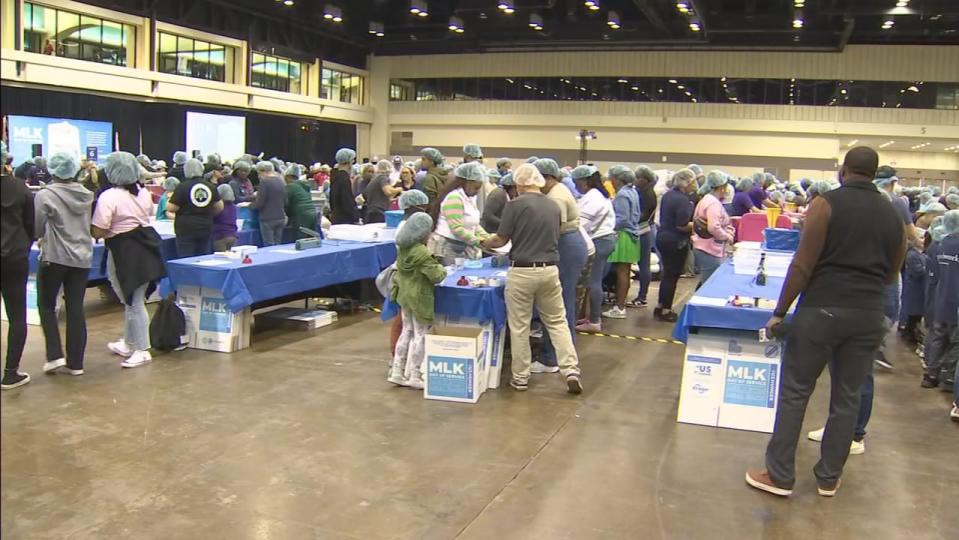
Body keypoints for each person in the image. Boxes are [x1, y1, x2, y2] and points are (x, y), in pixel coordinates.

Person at [746, 146, 906, 498]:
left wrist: (780, 311)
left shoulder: (826, 203)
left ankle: (780, 475)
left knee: (796, 392)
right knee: (847, 397)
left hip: (821, 310)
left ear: (844, 170)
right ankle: (829, 477)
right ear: (876, 173)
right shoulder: (893, 214)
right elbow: (893, 270)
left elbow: (803, 264)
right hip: (868, 314)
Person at [481, 164, 582, 395]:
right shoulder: (553, 205)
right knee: (557, 322)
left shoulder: (515, 205)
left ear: (520, 183)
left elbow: (500, 239)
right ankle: (570, 370)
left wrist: (481, 241)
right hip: (549, 270)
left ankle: (520, 378)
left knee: (519, 326)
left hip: (522, 271)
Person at [91, 152, 167, 369]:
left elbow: (99, 229)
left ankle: (142, 349)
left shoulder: (109, 197)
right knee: (129, 297)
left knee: (134, 300)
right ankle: (129, 342)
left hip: (125, 250)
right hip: (142, 245)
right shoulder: (143, 192)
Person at [33, 152, 94, 377]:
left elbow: (37, 228)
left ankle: (54, 354)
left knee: (47, 305)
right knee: (75, 307)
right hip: (83, 258)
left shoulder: (45, 195)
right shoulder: (87, 194)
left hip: (54, 257)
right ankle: (76, 363)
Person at [533, 158, 588, 373]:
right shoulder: (560, 190)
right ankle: (562, 353)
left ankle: (551, 357)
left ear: (548, 178)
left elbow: (552, 229)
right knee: (564, 304)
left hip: (566, 247)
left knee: (555, 305)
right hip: (570, 244)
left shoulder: (555, 197)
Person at [387, 212, 447, 389]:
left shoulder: (403, 249)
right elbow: (436, 276)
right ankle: (415, 374)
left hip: (405, 296)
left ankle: (397, 371)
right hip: (420, 297)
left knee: (406, 331)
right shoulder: (422, 253)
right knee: (420, 335)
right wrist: (442, 269)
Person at [1, 142, 35, 390]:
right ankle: (10, 372)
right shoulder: (20, 188)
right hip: (14, 258)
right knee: (16, 315)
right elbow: (30, 226)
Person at [572, 165, 616, 332]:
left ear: (584, 181)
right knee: (595, 281)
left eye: (576, 182)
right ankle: (591, 317)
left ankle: (595, 321)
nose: (576, 186)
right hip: (605, 239)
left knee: (593, 282)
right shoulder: (600, 195)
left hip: (599, 241)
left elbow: (580, 224)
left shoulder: (593, 197)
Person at [922, 210, 958, 390]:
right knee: (955, 343)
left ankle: (931, 374)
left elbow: (933, 275)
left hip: (940, 300)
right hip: (955, 303)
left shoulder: (940, 244)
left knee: (938, 339)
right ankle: (949, 378)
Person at [654, 168, 696, 323]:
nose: (695, 185)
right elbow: (682, 225)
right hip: (675, 241)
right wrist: (697, 224)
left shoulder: (668, 195)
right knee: (672, 276)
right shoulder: (683, 200)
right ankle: (666, 309)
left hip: (663, 237)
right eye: (693, 182)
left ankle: (660, 305)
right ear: (686, 183)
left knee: (666, 274)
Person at [429, 162, 490, 266]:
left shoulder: (469, 199)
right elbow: (457, 228)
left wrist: (487, 237)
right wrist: (479, 242)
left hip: (462, 245)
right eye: (476, 188)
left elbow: (474, 224)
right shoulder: (454, 198)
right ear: (466, 183)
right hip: (447, 247)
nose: (478, 191)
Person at [602, 165, 641, 320]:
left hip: (623, 235)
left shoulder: (622, 195)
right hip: (631, 234)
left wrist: (609, 227)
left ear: (617, 179)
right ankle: (620, 305)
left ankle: (619, 307)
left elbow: (622, 218)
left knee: (622, 272)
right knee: (624, 271)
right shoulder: (632, 191)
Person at [167, 158, 223, 257]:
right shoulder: (210, 186)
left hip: (186, 229)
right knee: (203, 258)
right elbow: (219, 207)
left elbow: (171, 208)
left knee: (186, 259)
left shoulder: (182, 187)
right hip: (205, 226)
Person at [691, 171, 735, 287]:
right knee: (709, 284)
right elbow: (714, 227)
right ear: (721, 187)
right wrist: (727, 236)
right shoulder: (713, 204)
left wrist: (727, 228)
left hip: (703, 246)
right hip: (709, 248)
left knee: (705, 281)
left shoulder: (706, 200)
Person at [630, 165, 659, 308]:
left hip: (644, 231)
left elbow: (643, 215)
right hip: (645, 229)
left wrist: (629, 218)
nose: (635, 180)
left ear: (644, 179)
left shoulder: (647, 194)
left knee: (644, 264)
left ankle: (642, 297)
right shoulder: (642, 192)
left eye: (637, 178)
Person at [250, 161, 287, 246]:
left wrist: (250, 206)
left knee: (269, 246)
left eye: (258, 173)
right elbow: (285, 201)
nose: (258, 176)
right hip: (281, 217)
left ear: (263, 171)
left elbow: (260, 203)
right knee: (277, 246)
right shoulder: (281, 181)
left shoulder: (265, 182)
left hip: (268, 219)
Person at [284, 164, 318, 239]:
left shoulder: (290, 187)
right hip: (313, 213)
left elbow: (286, 204)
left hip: (301, 216)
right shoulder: (304, 185)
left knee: (300, 241)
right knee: (311, 241)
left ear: (288, 176)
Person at [212, 184, 238, 252]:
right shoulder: (234, 207)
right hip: (233, 235)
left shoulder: (218, 206)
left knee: (221, 260)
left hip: (220, 236)